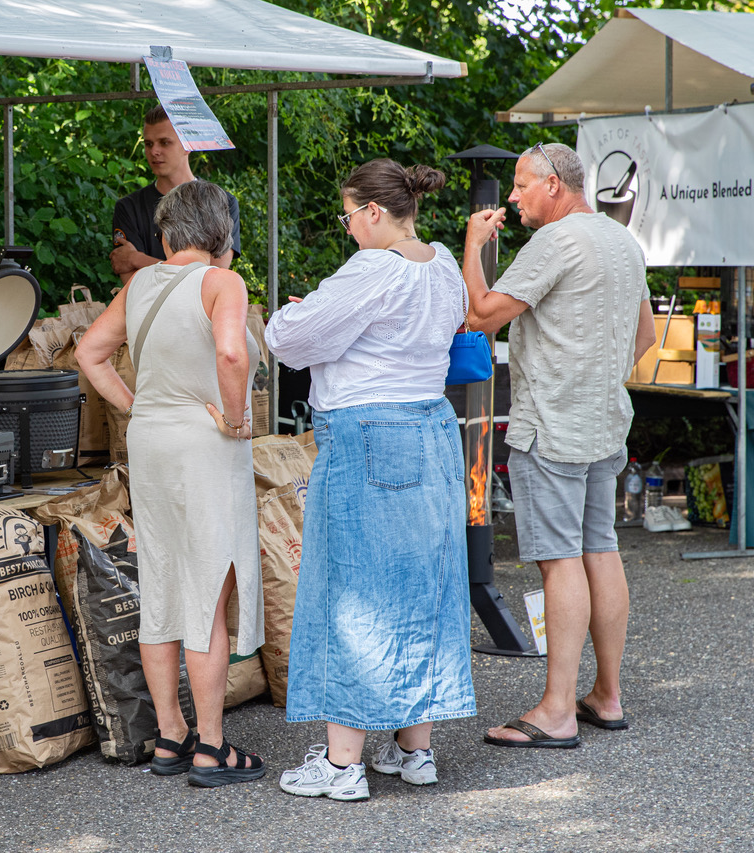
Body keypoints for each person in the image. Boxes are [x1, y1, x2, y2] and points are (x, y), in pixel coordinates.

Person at [266, 159, 476, 801]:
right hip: (433, 429)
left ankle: (341, 766)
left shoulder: (371, 268)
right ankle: (415, 751)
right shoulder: (441, 263)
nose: (348, 228)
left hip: (367, 434)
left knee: (351, 591)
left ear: (375, 212)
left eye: (349, 215)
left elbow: (290, 340)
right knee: (422, 585)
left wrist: (301, 314)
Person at [464, 142, 655, 748]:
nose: (513, 197)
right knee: (600, 548)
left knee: (559, 561)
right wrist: (594, 378)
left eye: (521, 186)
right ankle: (607, 696)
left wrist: (473, 245)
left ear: (553, 184)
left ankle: (556, 711)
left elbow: (483, 314)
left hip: (551, 426)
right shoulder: (623, 240)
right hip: (604, 423)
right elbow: (646, 335)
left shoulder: (554, 242)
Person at [77, 179, 265, 787]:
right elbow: (232, 356)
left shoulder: (138, 285)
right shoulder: (222, 283)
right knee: (206, 586)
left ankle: (169, 736)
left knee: (161, 582)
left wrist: (137, 405)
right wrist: (236, 420)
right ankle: (212, 747)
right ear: (222, 235)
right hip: (204, 444)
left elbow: (88, 353)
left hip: (151, 441)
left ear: (163, 235)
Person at [110, 104, 241, 284]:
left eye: (164, 142)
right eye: (148, 144)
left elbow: (212, 277)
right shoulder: (129, 207)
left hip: (201, 312)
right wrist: (190, 273)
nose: (154, 151)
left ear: (188, 144)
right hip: (148, 311)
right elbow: (132, 283)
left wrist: (138, 259)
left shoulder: (223, 202)